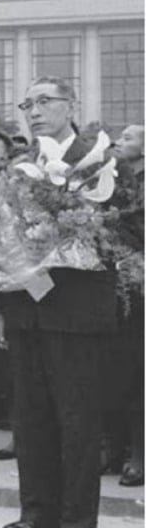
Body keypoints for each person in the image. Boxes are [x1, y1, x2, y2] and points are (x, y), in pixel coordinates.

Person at [0, 77, 130, 528]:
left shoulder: (102, 163)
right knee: (30, 418)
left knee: (77, 421)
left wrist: (77, 234)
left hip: (77, 313)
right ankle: (37, 512)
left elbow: (130, 230)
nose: (34, 111)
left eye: (44, 101)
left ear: (71, 106)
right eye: (27, 104)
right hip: (25, 309)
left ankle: (77, 521)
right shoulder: (19, 168)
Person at [110, 124, 145, 488]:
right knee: (114, 368)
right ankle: (113, 447)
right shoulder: (111, 178)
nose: (119, 142)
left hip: (139, 284)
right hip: (111, 285)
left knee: (137, 371)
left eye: (128, 138)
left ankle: (139, 453)